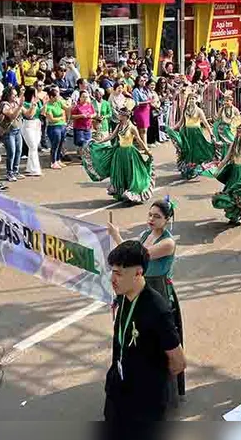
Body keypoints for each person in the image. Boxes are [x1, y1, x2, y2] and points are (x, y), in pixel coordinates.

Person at [106, 197, 185, 398]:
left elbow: (137, 257)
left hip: (156, 290)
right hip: (136, 288)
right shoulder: (144, 235)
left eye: (157, 216)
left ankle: (160, 391)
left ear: (167, 220)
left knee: (156, 344)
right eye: (150, 215)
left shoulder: (168, 243)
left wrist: (116, 236)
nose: (151, 219)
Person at [103, 241, 186, 432]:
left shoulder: (158, 310)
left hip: (145, 403)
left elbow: (178, 362)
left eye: (119, 273)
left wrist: (152, 380)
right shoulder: (123, 296)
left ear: (138, 273)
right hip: (118, 391)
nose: (112, 279)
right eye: (112, 272)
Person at [82, 103, 155, 203]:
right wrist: (99, 142)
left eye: (120, 114)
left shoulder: (132, 127)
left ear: (125, 116)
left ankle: (132, 193)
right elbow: (112, 136)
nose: (118, 116)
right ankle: (122, 193)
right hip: (120, 153)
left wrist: (147, 151)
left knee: (131, 174)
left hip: (130, 153)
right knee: (121, 174)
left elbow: (139, 141)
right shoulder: (119, 125)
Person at [167, 91, 218, 180]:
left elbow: (205, 123)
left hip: (196, 133)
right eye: (190, 99)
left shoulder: (199, 110)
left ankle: (195, 169)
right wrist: (173, 128)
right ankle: (188, 169)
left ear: (196, 100)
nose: (191, 100)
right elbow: (181, 122)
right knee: (187, 151)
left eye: (193, 99)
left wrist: (211, 134)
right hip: (186, 133)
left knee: (196, 151)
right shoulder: (185, 110)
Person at [0, 87, 25, 182]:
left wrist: (33, 105)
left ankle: (15, 171)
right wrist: (19, 106)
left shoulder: (17, 103)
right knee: (11, 153)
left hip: (18, 130)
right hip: (8, 132)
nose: (15, 96)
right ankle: (9, 173)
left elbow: (28, 114)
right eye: (13, 94)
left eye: (16, 94)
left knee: (19, 151)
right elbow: (12, 116)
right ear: (8, 95)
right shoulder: (4, 104)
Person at [20, 86, 43, 177]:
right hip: (28, 125)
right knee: (33, 146)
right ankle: (35, 169)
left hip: (37, 124)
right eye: (35, 93)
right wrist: (33, 105)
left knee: (34, 146)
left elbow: (41, 112)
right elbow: (29, 115)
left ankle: (30, 167)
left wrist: (45, 104)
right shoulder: (24, 103)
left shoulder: (38, 102)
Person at [44, 86, 69, 170]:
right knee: (55, 144)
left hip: (62, 126)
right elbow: (51, 119)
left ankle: (58, 160)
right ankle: (53, 161)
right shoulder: (48, 106)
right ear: (51, 97)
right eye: (56, 96)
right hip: (54, 128)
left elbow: (67, 108)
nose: (58, 98)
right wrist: (61, 117)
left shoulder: (59, 102)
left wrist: (70, 105)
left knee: (60, 144)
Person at [213, 90, 241, 159]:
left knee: (233, 142)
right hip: (222, 129)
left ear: (231, 101)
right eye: (224, 101)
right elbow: (218, 119)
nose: (225, 102)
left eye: (227, 101)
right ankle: (224, 157)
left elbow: (239, 120)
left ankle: (234, 155)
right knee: (223, 144)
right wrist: (215, 119)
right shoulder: (221, 109)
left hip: (231, 129)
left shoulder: (235, 110)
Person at [71, 89, 95, 155]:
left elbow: (94, 113)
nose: (85, 98)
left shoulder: (90, 105)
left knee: (87, 143)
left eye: (86, 97)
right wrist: (80, 115)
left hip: (88, 127)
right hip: (79, 128)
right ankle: (82, 156)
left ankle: (85, 156)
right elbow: (72, 116)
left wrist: (91, 116)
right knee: (81, 143)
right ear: (80, 98)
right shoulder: (77, 106)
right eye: (83, 97)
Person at [131, 74, 153, 145]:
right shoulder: (135, 91)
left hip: (146, 110)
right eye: (141, 81)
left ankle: (144, 145)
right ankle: (144, 145)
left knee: (145, 129)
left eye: (144, 80)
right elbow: (136, 103)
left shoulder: (145, 89)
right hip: (139, 111)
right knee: (142, 129)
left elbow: (150, 97)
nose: (143, 82)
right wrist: (146, 102)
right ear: (137, 82)